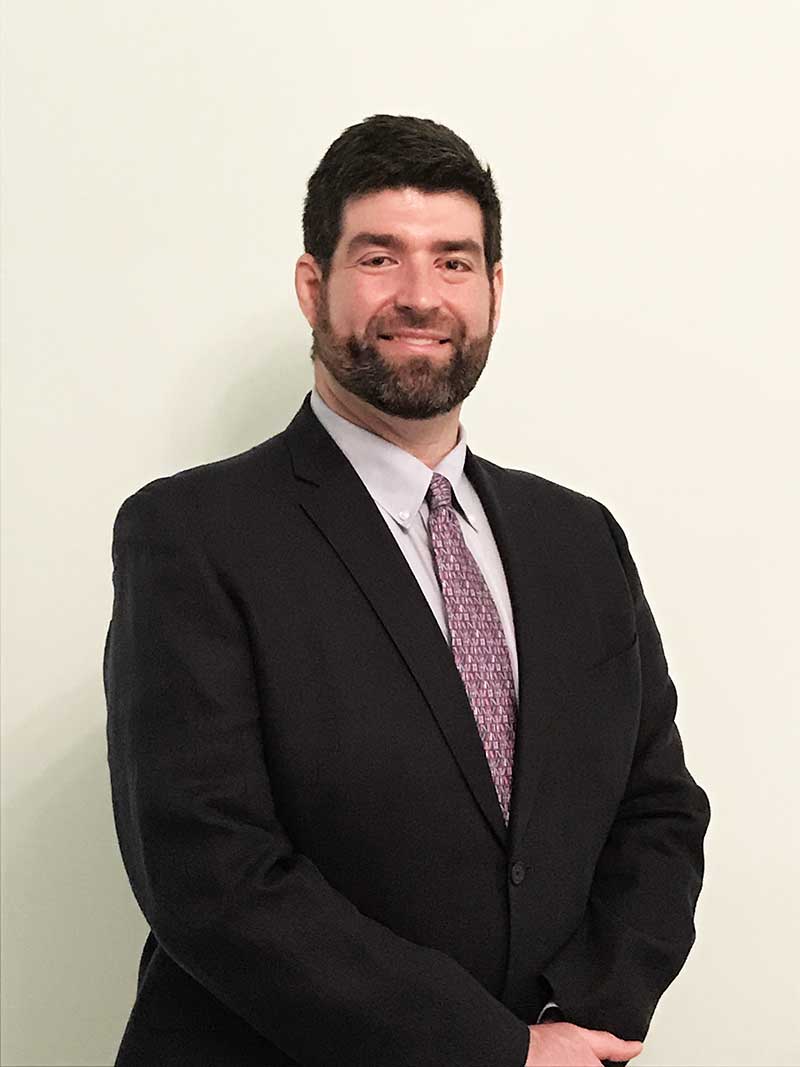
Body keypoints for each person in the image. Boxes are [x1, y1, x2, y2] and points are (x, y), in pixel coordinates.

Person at [104, 114, 710, 1067]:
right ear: (315, 287)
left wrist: (587, 1016)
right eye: (380, 258)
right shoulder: (190, 535)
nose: (421, 296)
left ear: (495, 291)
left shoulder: (578, 538)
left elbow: (659, 807)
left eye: (455, 262)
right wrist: (494, 1051)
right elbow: (212, 876)